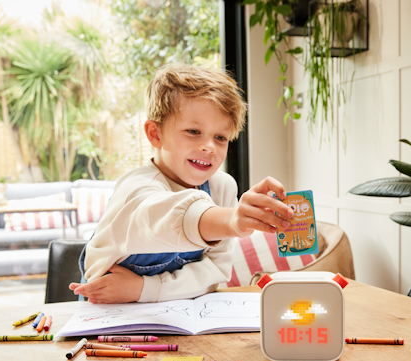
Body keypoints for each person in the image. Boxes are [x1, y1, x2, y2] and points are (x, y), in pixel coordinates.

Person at [69, 64, 293, 304]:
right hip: (108, 323)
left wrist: (144, 288)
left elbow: (214, 273)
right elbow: (162, 217)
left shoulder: (222, 187)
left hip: (180, 320)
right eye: (193, 131)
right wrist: (231, 221)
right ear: (156, 134)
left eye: (220, 137)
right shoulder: (135, 189)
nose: (209, 146)